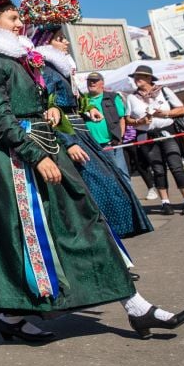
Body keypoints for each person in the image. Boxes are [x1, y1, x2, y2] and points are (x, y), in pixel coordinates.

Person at [0, 0, 184, 342]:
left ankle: (135, 306)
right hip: (18, 162)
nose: (20, 22)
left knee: (84, 223)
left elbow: (32, 104)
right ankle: (13, 317)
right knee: (35, 239)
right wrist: (36, 156)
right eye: (13, 16)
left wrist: (50, 114)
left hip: (45, 149)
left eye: (20, 15)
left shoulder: (16, 60)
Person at [38, 38, 153, 238]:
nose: (66, 41)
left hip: (80, 131)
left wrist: (89, 108)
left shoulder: (61, 70)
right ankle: (102, 234)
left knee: (108, 179)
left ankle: (114, 231)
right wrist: (69, 142)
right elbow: (51, 110)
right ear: (47, 42)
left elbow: (76, 99)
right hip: (69, 133)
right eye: (59, 37)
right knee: (97, 182)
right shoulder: (45, 71)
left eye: (65, 37)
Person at [126, 66, 184, 215]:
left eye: (140, 77)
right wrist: (140, 121)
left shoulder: (164, 91)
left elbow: (182, 110)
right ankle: (165, 203)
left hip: (167, 132)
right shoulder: (132, 97)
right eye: (135, 77)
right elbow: (128, 119)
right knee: (157, 169)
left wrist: (164, 113)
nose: (137, 80)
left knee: (176, 165)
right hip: (147, 135)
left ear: (150, 79)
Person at [83, 72, 131, 177]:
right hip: (91, 145)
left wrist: (120, 136)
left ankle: (128, 193)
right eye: (89, 81)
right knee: (102, 176)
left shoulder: (113, 97)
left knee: (122, 174)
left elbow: (121, 119)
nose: (92, 83)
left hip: (111, 143)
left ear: (102, 83)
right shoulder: (83, 100)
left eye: (95, 81)